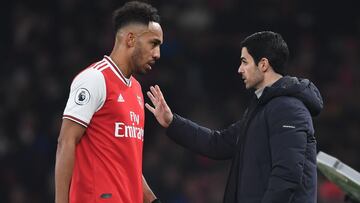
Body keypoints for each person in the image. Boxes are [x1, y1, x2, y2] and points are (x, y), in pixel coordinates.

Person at [146, 31, 323, 203]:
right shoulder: (262, 109)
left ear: (263, 64)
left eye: (245, 62)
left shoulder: (288, 108)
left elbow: (288, 174)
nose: (239, 69)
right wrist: (172, 122)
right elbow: (218, 143)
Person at [55, 1, 163, 203]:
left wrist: (152, 200)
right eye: (153, 43)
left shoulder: (136, 89)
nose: (157, 54)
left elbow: (127, 162)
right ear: (131, 39)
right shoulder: (94, 79)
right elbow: (66, 142)